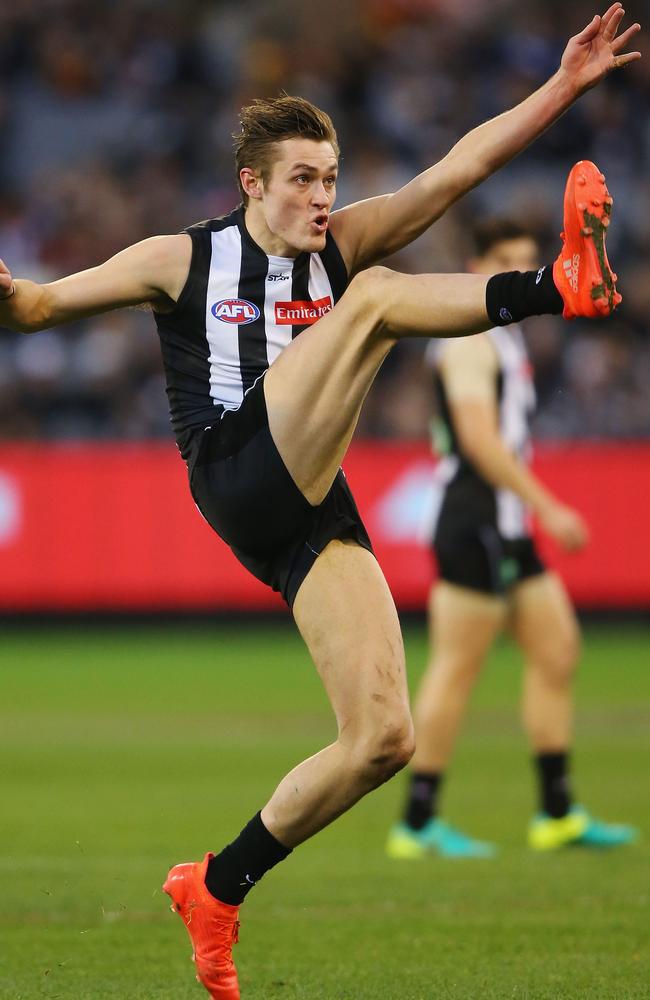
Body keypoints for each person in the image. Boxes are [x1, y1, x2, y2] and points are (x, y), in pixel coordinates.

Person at [0, 6, 641, 998]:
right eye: (301, 178)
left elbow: (454, 173)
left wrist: (559, 89)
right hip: (234, 468)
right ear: (249, 182)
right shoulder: (181, 258)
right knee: (377, 301)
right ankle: (556, 286)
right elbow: (39, 305)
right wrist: (10, 289)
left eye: (330, 177)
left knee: (384, 736)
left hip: (306, 499)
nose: (321, 196)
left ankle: (216, 884)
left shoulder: (336, 242)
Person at [386, 219, 639, 862]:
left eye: (529, 262)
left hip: (502, 524)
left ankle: (556, 811)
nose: (520, 273)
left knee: (557, 649)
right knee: (457, 668)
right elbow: (478, 441)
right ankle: (417, 821)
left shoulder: (501, 340)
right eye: (506, 261)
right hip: (474, 520)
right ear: (476, 263)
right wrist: (547, 508)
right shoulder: (469, 340)